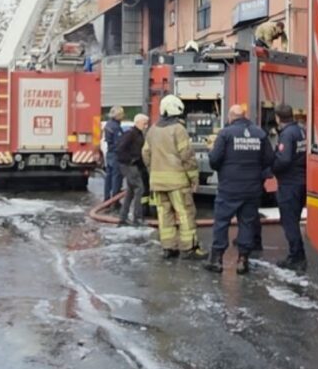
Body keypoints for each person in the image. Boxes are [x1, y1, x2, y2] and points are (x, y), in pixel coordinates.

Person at [205, 104, 273, 275]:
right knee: (247, 223)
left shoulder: (225, 134)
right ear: (244, 116)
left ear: (230, 117)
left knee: (222, 222)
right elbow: (269, 159)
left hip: (229, 187)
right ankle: (243, 260)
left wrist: (210, 151)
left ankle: (217, 259)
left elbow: (214, 161)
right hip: (252, 188)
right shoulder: (259, 133)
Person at [143, 96, 205, 260]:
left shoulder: (152, 129)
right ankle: (189, 248)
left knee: (164, 216)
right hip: (177, 182)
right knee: (185, 213)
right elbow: (187, 156)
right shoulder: (178, 129)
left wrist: (153, 172)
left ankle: (168, 248)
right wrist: (194, 177)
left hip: (157, 183)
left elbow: (146, 154)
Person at [270, 103, 307, 272]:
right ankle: (298, 254)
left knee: (289, 221)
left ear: (278, 118)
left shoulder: (286, 134)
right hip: (302, 181)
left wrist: (271, 167)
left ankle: (296, 257)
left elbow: (283, 159)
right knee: (295, 219)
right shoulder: (301, 130)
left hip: (289, 184)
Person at [116, 114, 148, 226]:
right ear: (138, 122)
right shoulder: (130, 134)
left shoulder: (138, 134)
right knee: (139, 188)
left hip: (133, 165)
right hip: (128, 165)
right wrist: (130, 160)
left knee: (130, 191)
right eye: (144, 123)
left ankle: (123, 217)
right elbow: (120, 149)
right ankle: (137, 218)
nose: (146, 126)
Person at [102, 106, 125, 202]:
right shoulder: (116, 127)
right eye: (122, 114)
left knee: (109, 176)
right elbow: (119, 143)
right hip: (116, 155)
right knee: (116, 177)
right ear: (118, 115)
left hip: (109, 153)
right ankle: (115, 200)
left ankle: (107, 198)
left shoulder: (108, 124)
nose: (123, 116)